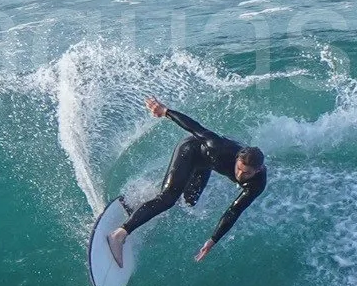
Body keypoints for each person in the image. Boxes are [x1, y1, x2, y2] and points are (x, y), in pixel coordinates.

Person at [108, 97, 267, 267]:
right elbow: (195, 128)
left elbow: (234, 211)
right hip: (190, 150)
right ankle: (119, 234)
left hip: (205, 164)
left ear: (258, 170)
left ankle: (143, 210)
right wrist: (165, 111)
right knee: (168, 198)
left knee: (189, 202)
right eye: (239, 169)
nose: (240, 175)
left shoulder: (257, 183)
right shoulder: (219, 147)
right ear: (237, 159)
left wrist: (213, 240)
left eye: (247, 173)